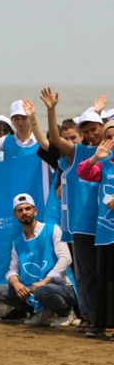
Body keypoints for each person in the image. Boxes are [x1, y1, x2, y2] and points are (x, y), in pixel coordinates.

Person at [41, 88, 104, 334]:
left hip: (107, 224)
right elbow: (55, 140)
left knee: (105, 274)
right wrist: (51, 109)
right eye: (85, 131)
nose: (90, 135)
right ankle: (91, 318)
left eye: (93, 129)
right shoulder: (77, 152)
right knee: (86, 275)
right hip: (82, 223)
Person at [0, 194, 77, 328]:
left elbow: (66, 259)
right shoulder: (17, 242)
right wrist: (16, 283)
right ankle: (35, 312)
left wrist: (43, 282)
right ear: (15, 215)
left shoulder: (53, 230)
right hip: (33, 290)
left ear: (35, 211)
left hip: (61, 287)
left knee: (43, 290)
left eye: (28, 208)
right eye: (20, 210)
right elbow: (12, 270)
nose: (24, 212)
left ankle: (65, 312)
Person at [76, 125, 114, 339]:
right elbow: (83, 172)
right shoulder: (106, 163)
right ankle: (100, 324)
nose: (109, 140)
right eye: (107, 137)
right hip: (105, 232)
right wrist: (95, 158)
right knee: (104, 279)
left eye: (113, 137)